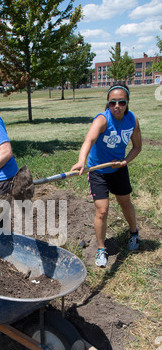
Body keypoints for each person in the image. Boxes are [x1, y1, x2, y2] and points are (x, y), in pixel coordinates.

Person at [71, 82, 142, 268]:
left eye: (121, 102)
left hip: (118, 169)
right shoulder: (102, 120)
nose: (117, 106)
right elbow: (89, 139)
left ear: (127, 103)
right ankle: (102, 249)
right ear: (108, 103)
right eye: (112, 103)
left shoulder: (132, 120)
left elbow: (137, 146)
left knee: (125, 202)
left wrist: (125, 161)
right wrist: (81, 161)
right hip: (97, 171)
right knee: (102, 210)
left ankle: (134, 233)